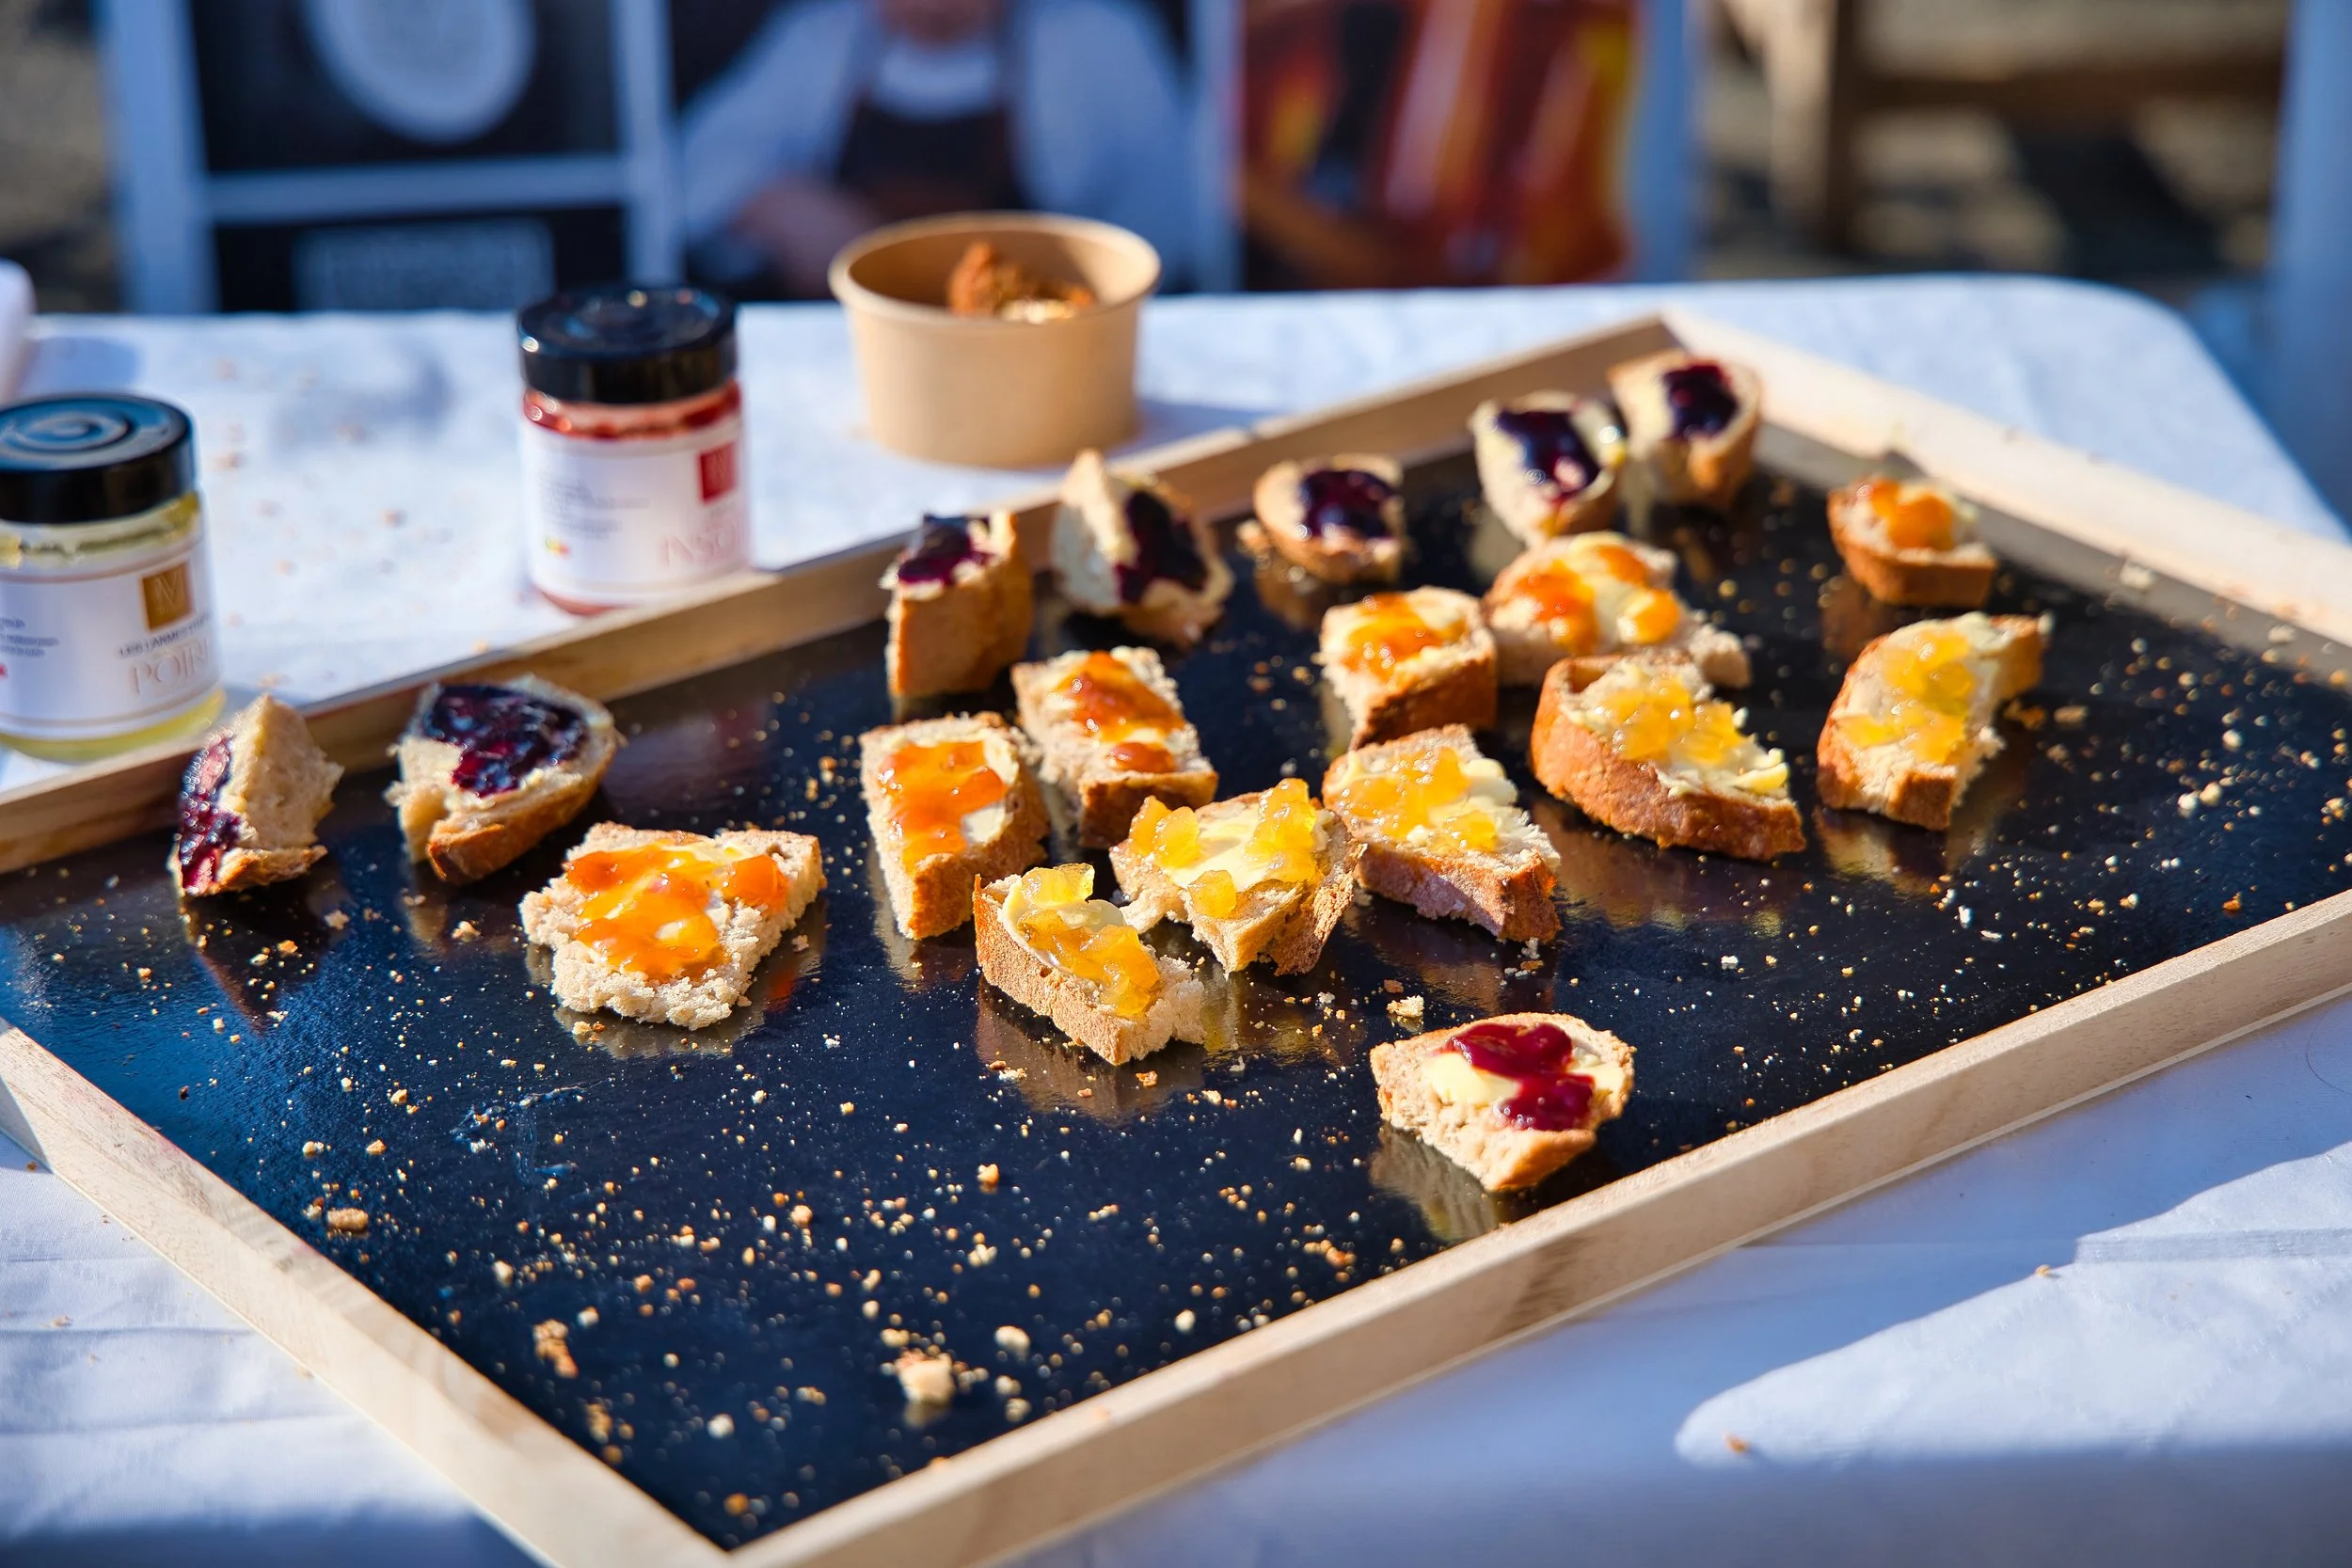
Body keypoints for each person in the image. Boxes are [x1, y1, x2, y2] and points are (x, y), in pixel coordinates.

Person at [678, 0, 1196, 295]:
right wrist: (772, 206)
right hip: (860, 358)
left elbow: (1176, 223)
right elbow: (686, 170)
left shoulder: (1101, 43)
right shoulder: (817, 40)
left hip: (1040, 351)